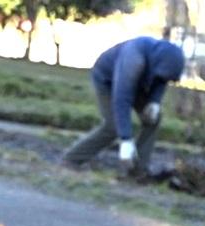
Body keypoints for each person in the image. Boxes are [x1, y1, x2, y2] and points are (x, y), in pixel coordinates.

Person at [62, 36, 186, 174]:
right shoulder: (133, 60)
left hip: (138, 82)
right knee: (114, 126)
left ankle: (138, 170)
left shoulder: (162, 62)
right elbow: (122, 100)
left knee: (153, 119)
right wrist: (126, 139)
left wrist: (154, 102)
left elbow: (161, 80)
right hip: (107, 81)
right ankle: (72, 159)